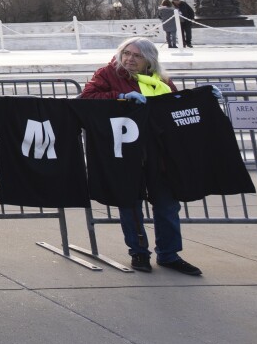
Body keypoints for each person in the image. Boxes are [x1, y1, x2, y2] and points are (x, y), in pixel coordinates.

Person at [79, 36, 202, 276]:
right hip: (126, 152)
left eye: (136, 55)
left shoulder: (161, 79)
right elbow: (86, 98)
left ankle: (169, 254)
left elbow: (174, 106)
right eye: (126, 53)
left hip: (159, 153)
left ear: (149, 60)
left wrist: (201, 98)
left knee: (167, 205)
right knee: (130, 204)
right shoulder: (107, 73)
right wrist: (120, 97)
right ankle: (139, 252)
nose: (129, 59)